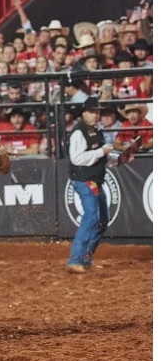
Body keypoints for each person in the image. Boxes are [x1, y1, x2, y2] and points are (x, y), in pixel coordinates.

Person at [65, 97, 113, 273]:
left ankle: (84, 258)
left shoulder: (94, 129)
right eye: (93, 112)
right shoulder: (79, 132)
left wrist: (114, 158)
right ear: (84, 112)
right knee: (93, 217)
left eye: (97, 112)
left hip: (93, 179)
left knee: (101, 220)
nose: (96, 115)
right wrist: (102, 152)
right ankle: (76, 259)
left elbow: (98, 156)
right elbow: (76, 158)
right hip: (84, 179)